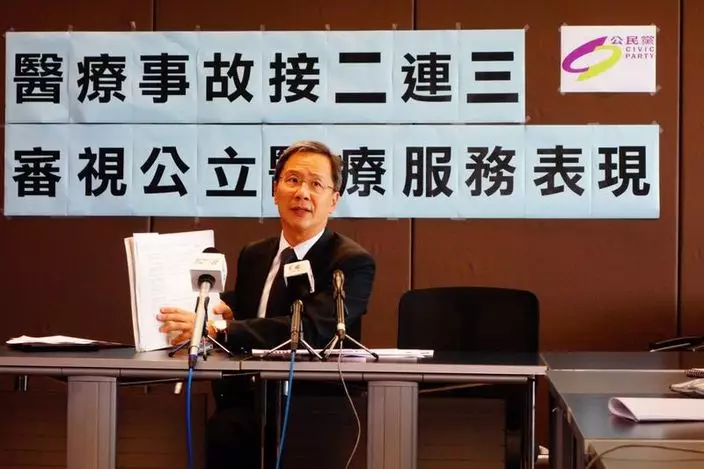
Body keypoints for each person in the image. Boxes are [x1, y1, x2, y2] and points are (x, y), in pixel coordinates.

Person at [156, 140, 376, 469]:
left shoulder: (351, 262)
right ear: (275, 191)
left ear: (334, 200)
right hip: (246, 403)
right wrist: (216, 312)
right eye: (292, 180)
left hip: (312, 409)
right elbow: (249, 313)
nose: (302, 193)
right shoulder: (255, 254)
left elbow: (311, 329)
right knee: (221, 434)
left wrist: (217, 328)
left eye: (316, 184)